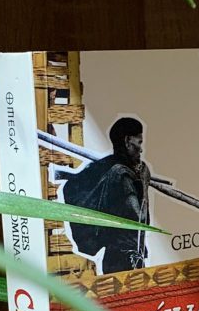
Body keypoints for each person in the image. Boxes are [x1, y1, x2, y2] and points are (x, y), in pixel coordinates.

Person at [60, 116, 151, 273]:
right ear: (128, 141)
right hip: (126, 259)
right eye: (139, 142)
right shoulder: (121, 175)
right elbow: (140, 218)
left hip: (118, 257)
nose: (141, 149)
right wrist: (143, 181)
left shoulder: (110, 169)